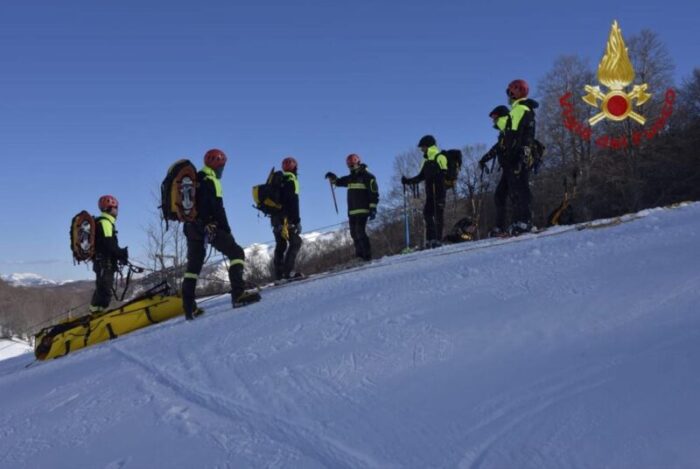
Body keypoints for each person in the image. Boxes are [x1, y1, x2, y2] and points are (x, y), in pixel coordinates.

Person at [182, 148, 260, 320]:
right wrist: (226, 230)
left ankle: (189, 309)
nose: (222, 170)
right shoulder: (210, 179)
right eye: (222, 166)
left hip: (191, 227)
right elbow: (218, 209)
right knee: (236, 253)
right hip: (209, 226)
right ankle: (238, 295)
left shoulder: (195, 179)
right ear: (216, 164)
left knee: (192, 269)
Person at [325, 153, 379, 261]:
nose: (351, 167)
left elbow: (373, 193)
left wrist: (373, 208)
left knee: (360, 231)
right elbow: (339, 181)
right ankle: (359, 257)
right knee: (354, 234)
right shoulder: (351, 177)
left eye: (353, 165)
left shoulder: (368, 176)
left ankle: (367, 257)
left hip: (363, 209)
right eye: (349, 166)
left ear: (358, 163)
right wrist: (333, 177)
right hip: (352, 211)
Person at [503, 79, 539, 235]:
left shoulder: (519, 110)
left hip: (519, 154)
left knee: (520, 187)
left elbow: (514, 135)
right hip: (525, 152)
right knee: (520, 187)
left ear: (516, 92)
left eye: (510, 92)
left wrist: (510, 155)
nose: (508, 96)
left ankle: (524, 221)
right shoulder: (526, 109)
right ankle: (522, 220)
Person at [401, 135, 448, 248]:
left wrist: (441, 190)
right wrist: (408, 181)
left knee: (438, 215)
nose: (421, 149)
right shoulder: (425, 161)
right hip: (430, 194)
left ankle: (438, 240)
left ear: (428, 146)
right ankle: (431, 239)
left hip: (439, 192)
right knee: (427, 214)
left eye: (423, 147)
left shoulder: (440, 157)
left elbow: (445, 175)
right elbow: (421, 176)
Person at [90, 195, 128, 313]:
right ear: (110, 209)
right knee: (105, 291)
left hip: (101, 263)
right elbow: (109, 244)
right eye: (116, 208)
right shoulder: (105, 223)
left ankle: (95, 312)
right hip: (104, 264)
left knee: (102, 290)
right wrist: (121, 253)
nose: (117, 211)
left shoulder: (102, 222)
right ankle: (97, 315)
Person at [479, 104, 512, 236]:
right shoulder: (503, 134)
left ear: (502, 117)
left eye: (495, 118)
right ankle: (501, 227)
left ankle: (523, 221)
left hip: (515, 166)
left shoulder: (511, 130)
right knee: (499, 195)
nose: (494, 121)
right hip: (508, 168)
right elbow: (497, 147)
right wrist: (484, 158)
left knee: (518, 194)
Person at [271, 156, 303, 281]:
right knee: (296, 242)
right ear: (295, 167)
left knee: (281, 244)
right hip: (286, 219)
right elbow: (293, 201)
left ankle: (279, 275)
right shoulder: (291, 180)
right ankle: (287, 272)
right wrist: (297, 220)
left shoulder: (278, 181)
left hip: (275, 218)